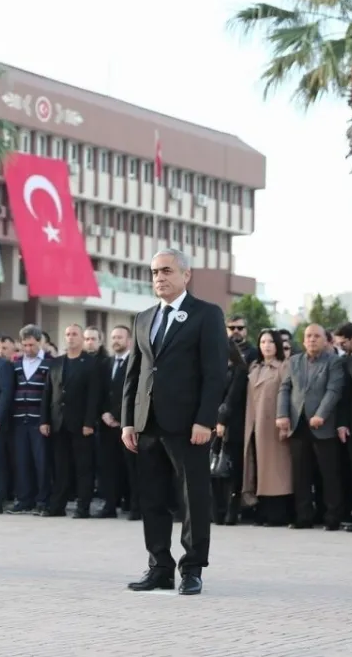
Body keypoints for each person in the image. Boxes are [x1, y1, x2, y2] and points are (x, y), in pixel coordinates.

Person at [120, 248, 227, 596]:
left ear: (185, 275)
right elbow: (133, 375)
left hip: (187, 426)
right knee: (151, 498)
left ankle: (192, 568)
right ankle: (159, 567)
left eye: (166, 270)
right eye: (154, 272)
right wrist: (127, 422)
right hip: (147, 423)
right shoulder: (143, 318)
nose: (159, 278)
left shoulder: (206, 315)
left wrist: (205, 420)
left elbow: (214, 374)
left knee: (192, 498)